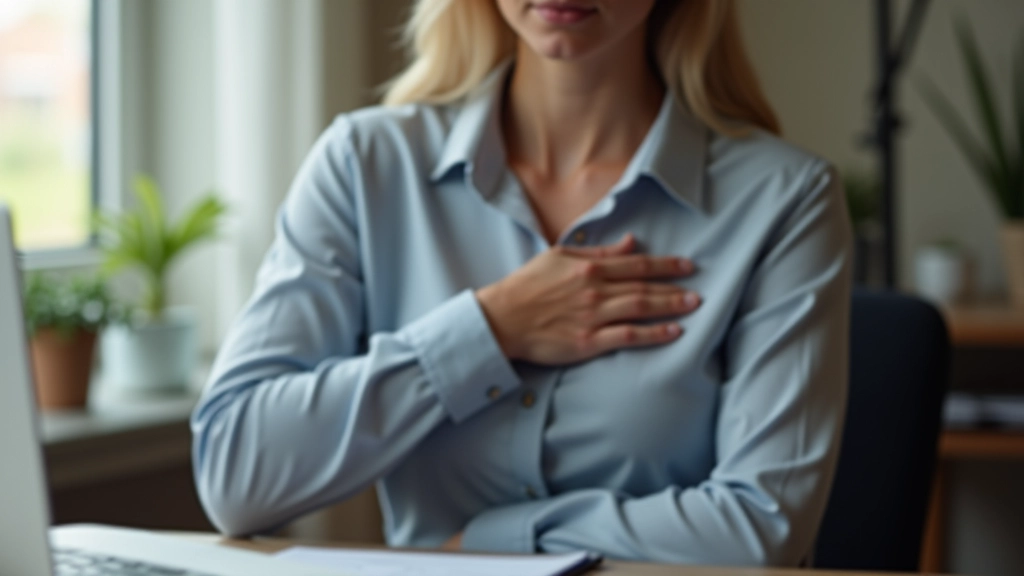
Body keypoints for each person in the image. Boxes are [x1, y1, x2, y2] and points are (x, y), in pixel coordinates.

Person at [191, 0, 852, 567]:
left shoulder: (785, 201)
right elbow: (235, 475)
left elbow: (762, 527)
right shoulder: (365, 166)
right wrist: (489, 329)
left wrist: (491, 546)